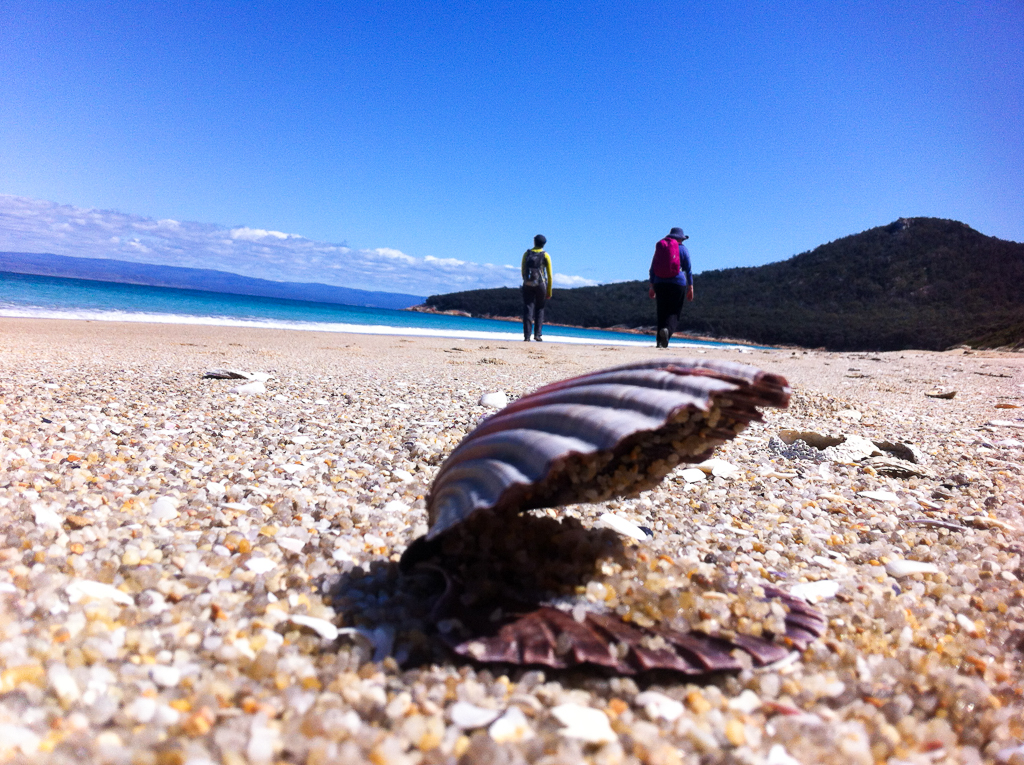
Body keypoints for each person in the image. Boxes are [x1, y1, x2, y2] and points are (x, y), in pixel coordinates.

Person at [648, 227, 694, 348]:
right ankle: (667, 332)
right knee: (674, 311)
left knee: (661, 311)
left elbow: (652, 268)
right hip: (677, 283)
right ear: (680, 239)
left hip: (659, 282)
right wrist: (691, 287)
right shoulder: (683, 250)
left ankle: (659, 342)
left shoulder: (661, 248)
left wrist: (651, 286)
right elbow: (688, 270)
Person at [521, 235, 553, 341]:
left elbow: (523, 270)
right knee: (540, 309)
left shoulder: (527, 254)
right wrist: (549, 291)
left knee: (528, 308)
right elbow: (550, 275)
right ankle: (537, 335)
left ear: (534, 242)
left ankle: (526, 336)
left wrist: (526, 281)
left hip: (527, 284)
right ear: (544, 244)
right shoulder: (545, 255)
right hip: (541, 284)